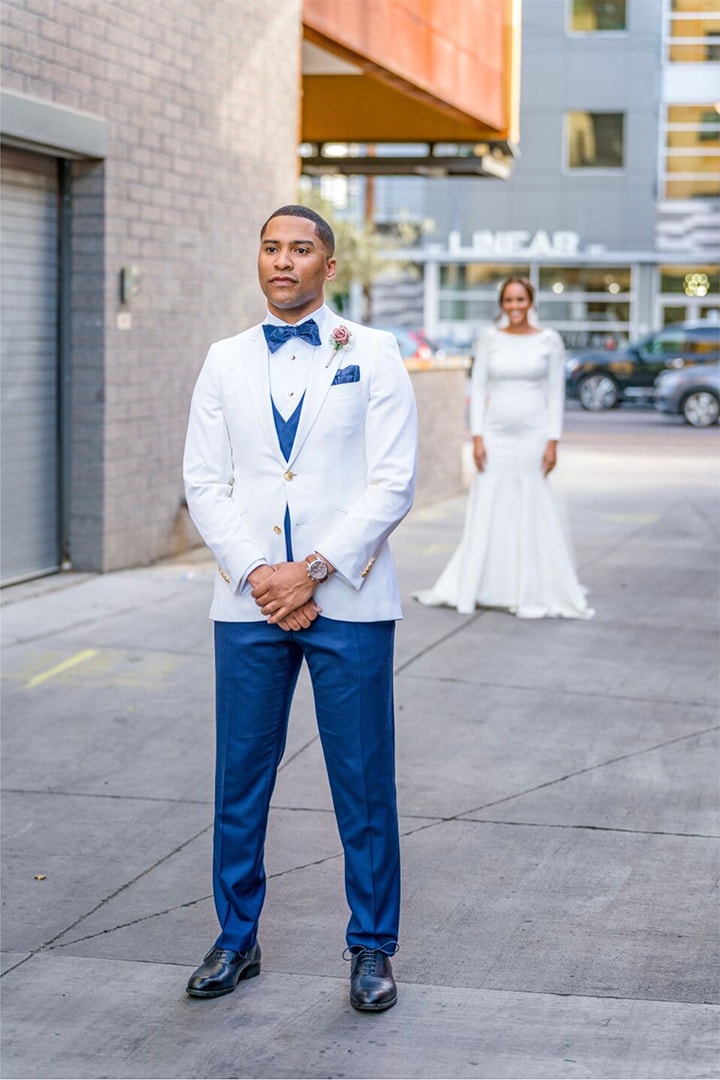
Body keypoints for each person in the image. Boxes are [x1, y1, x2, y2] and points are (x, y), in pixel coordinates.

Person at [182, 205, 418, 1012]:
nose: (283, 261)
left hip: (348, 597)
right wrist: (259, 574)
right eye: (271, 248)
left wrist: (312, 569)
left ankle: (372, 946)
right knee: (239, 781)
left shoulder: (375, 354)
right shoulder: (223, 361)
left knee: (362, 782)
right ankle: (235, 938)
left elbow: (394, 481)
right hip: (249, 602)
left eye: (301, 249)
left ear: (330, 265)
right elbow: (204, 482)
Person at [414, 275, 593, 620]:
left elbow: (555, 393)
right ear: (502, 305)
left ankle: (529, 586)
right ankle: (485, 583)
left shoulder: (548, 340)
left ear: (531, 303)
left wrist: (553, 441)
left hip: (534, 434)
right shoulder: (490, 340)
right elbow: (478, 390)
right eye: (508, 301)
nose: (514, 307)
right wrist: (477, 437)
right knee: (491, 501)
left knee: (531, 501)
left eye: (520, 300)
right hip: (496, 434)